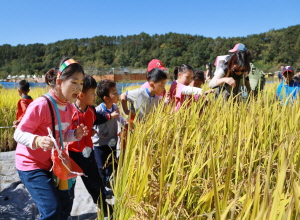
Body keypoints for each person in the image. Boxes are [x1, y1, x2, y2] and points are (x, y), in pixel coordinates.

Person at [14, 57, 89, 220]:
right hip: (31, 165)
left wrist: (74, 134)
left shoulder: (69, 107)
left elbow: (61, 136)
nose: (78, 87)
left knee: (65, 205)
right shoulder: (41, 105)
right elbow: (18, 134)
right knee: (51, 210)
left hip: (52, 164)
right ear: (59, 81)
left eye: (81, 83)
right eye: (74, 82)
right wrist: (37, 140)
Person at [67, 75, 119, 216]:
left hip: (88, 155)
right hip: (71, 155)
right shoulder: (69, 112)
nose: (95, 95)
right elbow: (63, 132)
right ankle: (65, 214)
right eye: (92, 92)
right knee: (68, 189)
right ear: (81, 95)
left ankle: (107, 211)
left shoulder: (91, 110)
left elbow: (98, 119)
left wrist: (109, 116)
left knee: (96, 184)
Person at [92, 79, 127, 208]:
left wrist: (128, 125)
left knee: (112, 165)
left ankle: (109, 181)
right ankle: (103, 188)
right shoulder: (98, 110)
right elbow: (94, 122)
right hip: (100, 144)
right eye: (114, 93)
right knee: (101, 167)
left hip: (112, 143)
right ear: (106, 98)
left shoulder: (115, 107)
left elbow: (120, 118)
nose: (117, 95)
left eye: (116, 92)